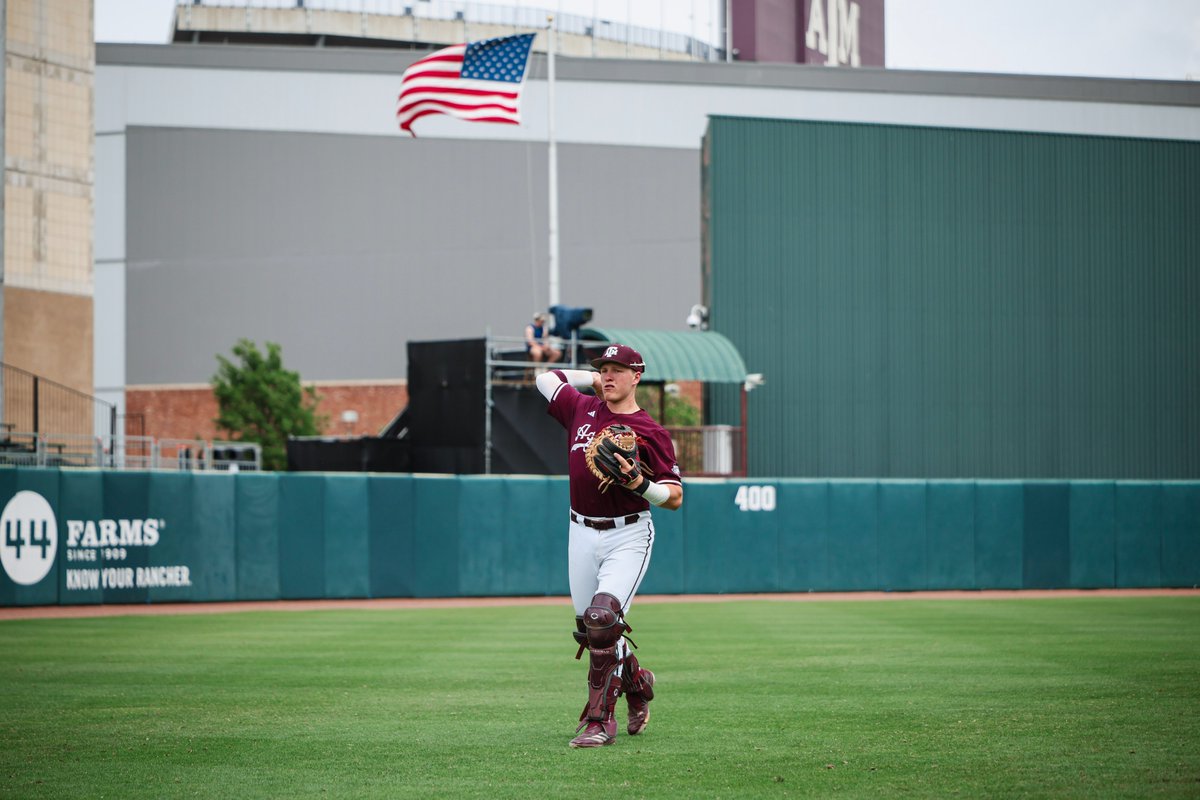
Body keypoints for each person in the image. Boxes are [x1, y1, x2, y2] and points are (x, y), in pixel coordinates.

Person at [535, 344, 684, 748]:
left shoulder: (651, 431)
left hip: (628, 533)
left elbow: (673, 497)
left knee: (603, 618)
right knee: (591, 631)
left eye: (618, 369)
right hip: (580, 531)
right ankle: (637, 682)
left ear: (638, 375)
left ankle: (600, 721)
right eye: (604, 368)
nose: (609, 375)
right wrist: (593, 379)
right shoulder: (581, 409)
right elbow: (544, 379)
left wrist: (641, 485)